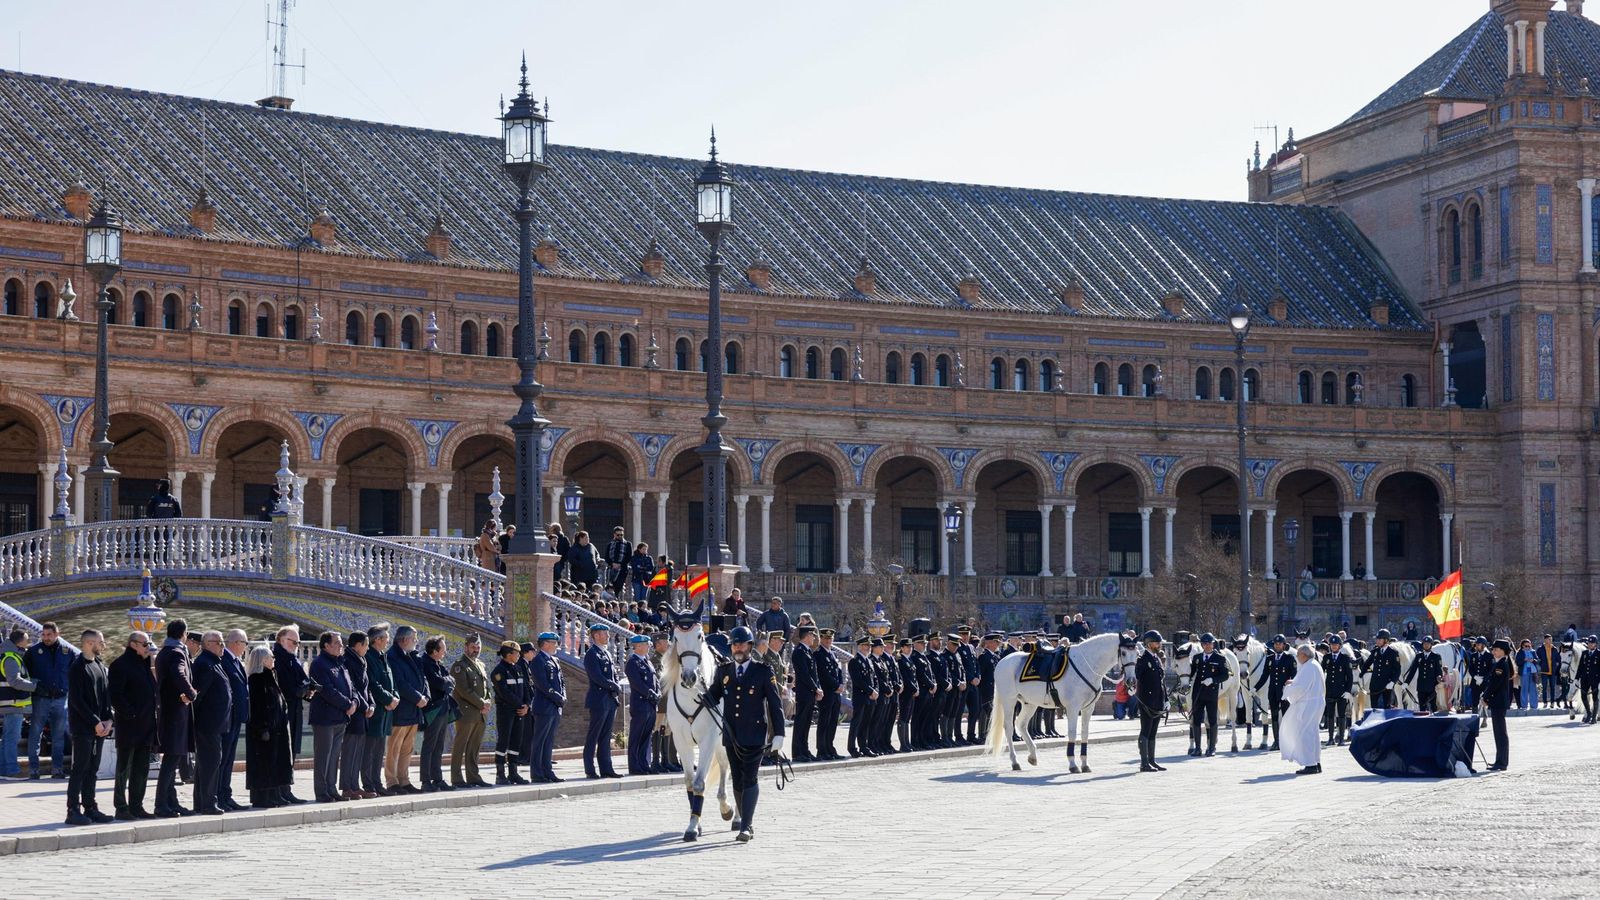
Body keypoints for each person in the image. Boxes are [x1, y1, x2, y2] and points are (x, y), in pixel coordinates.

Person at [701, 626, 785, 843]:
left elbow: (775, 705)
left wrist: (779, 735)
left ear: (749, 646)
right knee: (737, 779)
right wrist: (701, 692)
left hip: (754, 735)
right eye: (734, 644)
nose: (738, 648)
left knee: (750, 777)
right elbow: (713, 695)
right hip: (731, 735)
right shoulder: (724, 671)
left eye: (742, 644)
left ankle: (746, 825)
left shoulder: (763, 671)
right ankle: (744, 819)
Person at [64, 629, 112, 825]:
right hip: (84, 727)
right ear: (90, 643)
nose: (104, 645)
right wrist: (95, 722)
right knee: (80, 768)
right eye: (101, 642)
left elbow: (105, 696)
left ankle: (90, 807)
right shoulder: (77, 667)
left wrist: (109, 720)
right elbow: (77, 700)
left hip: (100, 727)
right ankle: (72, 810)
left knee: (93, 769)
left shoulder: (99, 664)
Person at [107, 631, 156, 818]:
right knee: (123, 770)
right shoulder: (120, 665)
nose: (148, 647)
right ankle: (121, 807)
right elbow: (116, 695)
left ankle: (137, 806)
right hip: (129, 726)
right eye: (146, 644)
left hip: (146, 725)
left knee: (141, 769)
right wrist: (131, 714)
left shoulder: (143, 664)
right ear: (134, 644)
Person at [153, 618, 197, 816]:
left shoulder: (164, 652)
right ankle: (161, 805)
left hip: (167, 711)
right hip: (176, 714)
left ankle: (171, 802)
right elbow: (179, 674)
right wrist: (191, 692)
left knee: (171, 760)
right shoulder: (177, 653)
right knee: (171, 761)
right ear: (184, 634)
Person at [23, 621, 74, 779]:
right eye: (43, 634)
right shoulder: (33, 651)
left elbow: (73, 675)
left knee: (59, 735)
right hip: (41, 699)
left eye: (49, 634)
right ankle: (33, 769)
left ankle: (57, 769)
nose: (45, 637)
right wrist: (36, 687)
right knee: (35, 733)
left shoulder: (68, 652)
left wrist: (67, 691)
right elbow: (25, 675)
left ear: (57, 634)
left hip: (61, 699)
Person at [244, 645, 292, 809]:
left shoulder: (271, 676)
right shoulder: (257, 679)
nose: (274, 659)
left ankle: (274, 794)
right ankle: (262, 796)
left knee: (274, 763)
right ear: (263, 659)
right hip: (263, 730)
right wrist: (262, 727)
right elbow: (258, 706)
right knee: (263, 764)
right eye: (271, 656)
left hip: (275, 728)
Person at [189, 631, 232, 815]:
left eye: (223, 642)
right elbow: (198, 696)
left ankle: (203, 801)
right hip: (208, 724)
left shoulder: (215, 662)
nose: (223, 646)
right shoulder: (205, 664)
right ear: (206, 644)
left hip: (216, 723)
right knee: (210, 762)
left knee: (208, 762)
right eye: (219, 643)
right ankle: (208, 802)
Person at [386, 625, 428, 793]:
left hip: (414, 709)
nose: (416, 642)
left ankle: (404, 780)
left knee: (407, 749)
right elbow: (401, 684)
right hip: (402, 709)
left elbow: (422, 679)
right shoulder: (393, 656)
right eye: (414, 639)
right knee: (394, 748)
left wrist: (425, 697)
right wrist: (418, 698)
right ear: (403, 640)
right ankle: (392, 781)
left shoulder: (412, 656)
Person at [450, 633, 492, 788]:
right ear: (466, 647)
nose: (476, 650)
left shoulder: (480, 664)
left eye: (478, 647)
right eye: (473, 647)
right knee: (460, 745)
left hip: (480, 712)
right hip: (466, 712)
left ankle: (473, 776)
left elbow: (486, 687)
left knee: (474, 746)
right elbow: (463, 690)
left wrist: (487, 701)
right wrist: (481, 703)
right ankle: (457, 778)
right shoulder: (460, 665)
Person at [216, 630, 251, 811]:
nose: (246, 647)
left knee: (229, 759)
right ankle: (220, 796)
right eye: (245, 643)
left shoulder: (236, 661)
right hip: (227, 718)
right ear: (237, 643)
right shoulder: (225, 660)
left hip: (236, 717)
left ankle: (226, 795)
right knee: (223, 759)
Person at [362, 624, 398, 797]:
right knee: (370, 750)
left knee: (379, 751)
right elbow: (373, 684)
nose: (388, 641)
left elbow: (392, 681)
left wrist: (395, 696)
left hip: (386, 711)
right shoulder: (369, 657)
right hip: (376, 710)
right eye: (386, 638)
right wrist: (388, 699)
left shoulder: (383, 656)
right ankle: (368, 784)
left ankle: (377, 782)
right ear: (377, 640)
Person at [583, 623, 622, 778]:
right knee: (594, 736)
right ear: (596, 635)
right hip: (599, 699)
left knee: (606, 736)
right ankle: (590, 769)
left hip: (610, 699)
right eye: (604, 634)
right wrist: (613, 685)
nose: (607, 636)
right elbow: (596, 676)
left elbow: (614, 674)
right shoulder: (592, 654)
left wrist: (616, 683)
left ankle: (606, 768)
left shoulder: (606, 653)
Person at [417, 636, 455, 792]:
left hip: (443, 709)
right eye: (443, 649)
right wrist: (446, 681)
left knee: (439, 746)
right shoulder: (427, 663)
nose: (445, 652)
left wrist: (447, 681)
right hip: (433, 710)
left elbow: (451, 680)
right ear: (434, 651)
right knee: (429, 745)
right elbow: (439, 683)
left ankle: (437, 778)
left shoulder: (437, 664)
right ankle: (426, 780)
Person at [1280, 643, 1325, 775]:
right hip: (1314, 702)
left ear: (1304, 655)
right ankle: (1315, 762)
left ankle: (1310, 764)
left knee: (1305, 732)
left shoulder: (1310, 667)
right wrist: (1293, 683)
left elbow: (1301, 688)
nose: (1297, 657)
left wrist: (1288, 689)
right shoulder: (1312, 665)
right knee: (1312, 732)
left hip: (1309, 704)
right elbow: (1305, 683)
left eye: (1298, 654)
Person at [340, 631, 375, 799]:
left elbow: (366, 687)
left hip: (363, 712)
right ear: (358, 645)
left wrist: (372, 704)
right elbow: (352, 687)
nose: (368, 648)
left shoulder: (361, 660)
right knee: (349, 751)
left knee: (358, 751)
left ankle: (355, 785)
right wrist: (365, 704)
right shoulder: (347, 660)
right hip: (354, 712)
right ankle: (347, 786)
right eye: (366, 645)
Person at [529, 631, 566, 782]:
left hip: (554, 706)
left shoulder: (554, 660)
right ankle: (537, 773)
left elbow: (561, 681)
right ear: (545, 644)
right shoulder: (538, 660)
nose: (556, 645)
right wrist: (557, 696)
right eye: (554, 642)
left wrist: (563, 695)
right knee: (540, 741)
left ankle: (547, 770)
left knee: (549, 741)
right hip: (544, 705)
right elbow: (542, 684)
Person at [490, 641, 529, 784]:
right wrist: (520, 704)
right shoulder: (498, 671)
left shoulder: (518, 669)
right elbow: (504, 692)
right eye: (516, 653)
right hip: (506, 711)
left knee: (516, 741)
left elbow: (525, 689)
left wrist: (526, 705)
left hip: (520, 711)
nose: (519, 655)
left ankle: (513, 773)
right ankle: (500, 774)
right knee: (504, 741)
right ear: (508, 654)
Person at [1, 627, 36, 778]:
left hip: (12, 704)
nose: (28, 642)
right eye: (27, 639)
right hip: (13, 705)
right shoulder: (10, 658)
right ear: (19, 641)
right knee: (12, 738)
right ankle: (11, 770)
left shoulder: (11, 655)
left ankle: (4, 770)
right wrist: (36, 686)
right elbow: (15, 681)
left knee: (8, 738)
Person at [272, 625, 310, 758]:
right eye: (292, 641)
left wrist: (307, 690)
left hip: (294, 710)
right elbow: (287, 688)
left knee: (291, 753)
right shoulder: (275, 659)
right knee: (282, 754)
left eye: (298, 642)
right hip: (282, 714)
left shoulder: (293, 660)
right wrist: (304, 688)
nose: (296, 645)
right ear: (281, 640)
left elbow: (304, 682)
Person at [1132, 630, 1167, 772]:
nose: (1159, 645)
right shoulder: (1142, 659)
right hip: (1146, 701)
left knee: (1153, 731)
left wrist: (1165, 699)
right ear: (1148, 643)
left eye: (1159, 642)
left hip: (1157, 701)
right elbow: (1136, 677)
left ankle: (1152, 760)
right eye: (1156, 642)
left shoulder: (1156, 659)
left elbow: (1161, 682)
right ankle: (1144, 762)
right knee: (1145, 731)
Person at [1255, 634, 1297, 751]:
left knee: (1285, 717)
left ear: (1284, 645)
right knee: (1273, 717)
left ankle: (1287, 741)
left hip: (1285, 693)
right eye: (1275, 644)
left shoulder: (1289, 658)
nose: (1277, 646)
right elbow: (1264, 676)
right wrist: (1255, 688)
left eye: (1279, 644)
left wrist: (1290, 685)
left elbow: (1294, 675)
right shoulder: (1269, 659)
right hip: (1273, 692)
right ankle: (1276, 741)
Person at [624, 634, 659, 775]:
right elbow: (637, 683)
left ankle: (644, 763)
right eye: (646, 644)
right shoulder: (633, 662)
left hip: (650, 704)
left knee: (646, 736)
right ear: (637, 646)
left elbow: (655, 680)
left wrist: (658, 692)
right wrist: (651, 693)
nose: (649, 646)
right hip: (640, 703)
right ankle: (634, 765)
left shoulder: (647, 661)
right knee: (637, 736)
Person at [1189, 633, 1227, 757]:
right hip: (1198, 693)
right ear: (1202, 645)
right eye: (1205, 644)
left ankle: (1211, 747)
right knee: (1196, 720)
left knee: (1212, 720)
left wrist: (1213, 680)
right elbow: (1191, 673)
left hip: (1211, 693)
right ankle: (1198, 748)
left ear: (1213, 644)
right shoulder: (1197, 658)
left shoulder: (1220, 658)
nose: (1207, 646)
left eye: (1209, 643)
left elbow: (1225, 675)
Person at [789, 625, 820, 761]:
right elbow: (804, 674)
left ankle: (804, 749)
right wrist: (815, 688)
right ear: (807, 636)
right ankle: (798, 752)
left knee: (807, 723)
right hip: (804, 693)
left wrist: (817, 688)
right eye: (812, 635)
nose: (814, 638)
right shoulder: (799, 652)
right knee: (801, 723)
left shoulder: (807, 651)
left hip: (810, 693)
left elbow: (814, 674)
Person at [1485, 638, 1515, 770]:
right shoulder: (1501, 662)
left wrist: (1485, 697)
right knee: (1498, 732)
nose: (1493, 651)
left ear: (1503, 651)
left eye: (1496, 649)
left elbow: (1495, 684)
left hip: (1498, 701)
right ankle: (1500, 760)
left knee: (1500, 733)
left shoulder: (1502, 664)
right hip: (1497, 701)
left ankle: (1502, 762)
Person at [815, 629, 843, 759]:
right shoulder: (818, 654)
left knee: (833, 722)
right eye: (825, 639)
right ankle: (822, 749)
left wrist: (841, 684)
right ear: (821, 639)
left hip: (836, 693)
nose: (828, 641)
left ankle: (830, 747)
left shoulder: (833, 654)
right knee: (824, 722)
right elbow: (823, 675)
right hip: (827, 692)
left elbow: (839, 671)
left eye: (830, 639)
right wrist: (837, 686)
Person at [1322, 635, 1354, 745]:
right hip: (1330, 691)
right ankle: (1330, 738)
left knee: (1341, 715)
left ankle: (1341, 739)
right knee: (1330, 715)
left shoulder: (1345, 658)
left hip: (1342, 691)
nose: (1334, 646)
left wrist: (1348, 691)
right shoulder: (1326, 658)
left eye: (1336, 645)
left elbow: (1350, 677)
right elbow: (1322, 673)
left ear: (1340, 646)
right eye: (1332, 645)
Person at [1404, 636, 1443, 713]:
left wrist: (1439, 678)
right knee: (1422, 708)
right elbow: (1413, 670)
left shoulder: (1436, 656)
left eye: (1428, 644)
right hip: (1421, 686)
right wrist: (1406, 682)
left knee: (1433, 706)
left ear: (1431, 645)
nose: (1426, 645)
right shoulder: (1419, 656)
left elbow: (1439, 671)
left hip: (1432, 686)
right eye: (1424, 644)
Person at [1368, 629, 1401, 710]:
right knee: (1374, 709)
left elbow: (1397, 670)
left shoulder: (1393, 653)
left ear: (1386, 640)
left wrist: (1392, 682)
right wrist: (1361, 675)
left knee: (1386, 710)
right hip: (1374, 686)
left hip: (1386, 686)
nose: (1377, 641)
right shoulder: (1375, 651)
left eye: (1380, 639)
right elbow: (1366, 664)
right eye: (1377, 639)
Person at [605, 526, 632, 595]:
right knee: (609, 587)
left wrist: (620, 564)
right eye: (618, 535)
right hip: (611, 569)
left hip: (622, 570)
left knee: (618, 588)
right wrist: (612, 564)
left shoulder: (628, 544)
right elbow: (606, 557)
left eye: (621, 535)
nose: (620, 536)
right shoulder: (610, 544)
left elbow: (628, 557)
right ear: (614, 534)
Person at [1535, 634, 1561, 708]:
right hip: (1544, 671)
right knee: (1545, 687)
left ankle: (1552, 702)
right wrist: (1541, 664)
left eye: (1551, 639)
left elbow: (1558, 659)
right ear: (1545, 640)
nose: (1550, 641)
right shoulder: (1540, 649)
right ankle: (1545, 703)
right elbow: (1537, 659)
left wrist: (1556, 665)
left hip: (1552, 671)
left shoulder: (1554, 648)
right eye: (1549, 639)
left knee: (1553, 687)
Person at [1516, 639, 1538, 710]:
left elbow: (1537, 660)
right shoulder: (1520, 652)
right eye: (1526, 646)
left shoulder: (1533, 651)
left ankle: (1534, 706)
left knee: (1533, 689)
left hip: (1532, 672)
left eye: (1529, 645)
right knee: (1524, 689)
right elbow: (1517, 662)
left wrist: (1533, 660)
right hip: (1524, 673)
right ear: (1522, 646)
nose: (1528, 647)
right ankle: (1524, 705)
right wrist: (1524, 660)